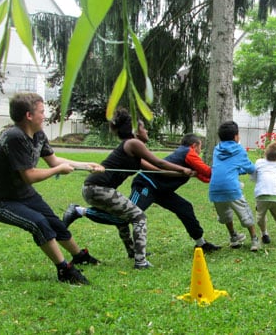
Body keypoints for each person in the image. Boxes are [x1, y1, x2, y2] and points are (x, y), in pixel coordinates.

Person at [0, 92, 104, 285]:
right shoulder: (14, 137)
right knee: (38, 223)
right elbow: (29, 175)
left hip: (24, 194)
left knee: (54, 222)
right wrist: (58, 170)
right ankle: (65, 270)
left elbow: (54, 160)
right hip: (0, 200)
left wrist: (86, 165)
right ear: (29, 116)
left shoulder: (38, 134)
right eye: (41, 111)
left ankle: (79, 256)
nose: (44, 115)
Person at [64, 108, 194, 269]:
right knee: (139, 217)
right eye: (143, 127)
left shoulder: (132, 150)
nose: (146, 130)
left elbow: (158, 170)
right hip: (98, 187)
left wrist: (186, 174)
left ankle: (133, 252)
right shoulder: (134, 143)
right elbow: (159, 162)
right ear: (135, 130)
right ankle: (140, 262)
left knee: (124, 218)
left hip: (94, 189)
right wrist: (182, 169)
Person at [65, 133, 221, 254]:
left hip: (162, 190)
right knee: (128, 217)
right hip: (146, 184)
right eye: (201, 148)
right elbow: (206, 171)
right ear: (194, 145)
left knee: (185, 207)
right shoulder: (189, 152)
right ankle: (80, 211)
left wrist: (220, 179)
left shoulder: (187, 156)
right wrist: (224, 173)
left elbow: (203, 176)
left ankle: (201, 243)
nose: (200, 152)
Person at [209, 121, 260, 251]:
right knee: (245, 213)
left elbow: (227, 167)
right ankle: (254, 239)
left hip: (215, 189)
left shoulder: (216, 149)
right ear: (236, 136)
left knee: (225, 214)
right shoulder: (238, 149)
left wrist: (238, 170)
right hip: (231, 188)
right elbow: (250, 168)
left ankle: (233, 237)